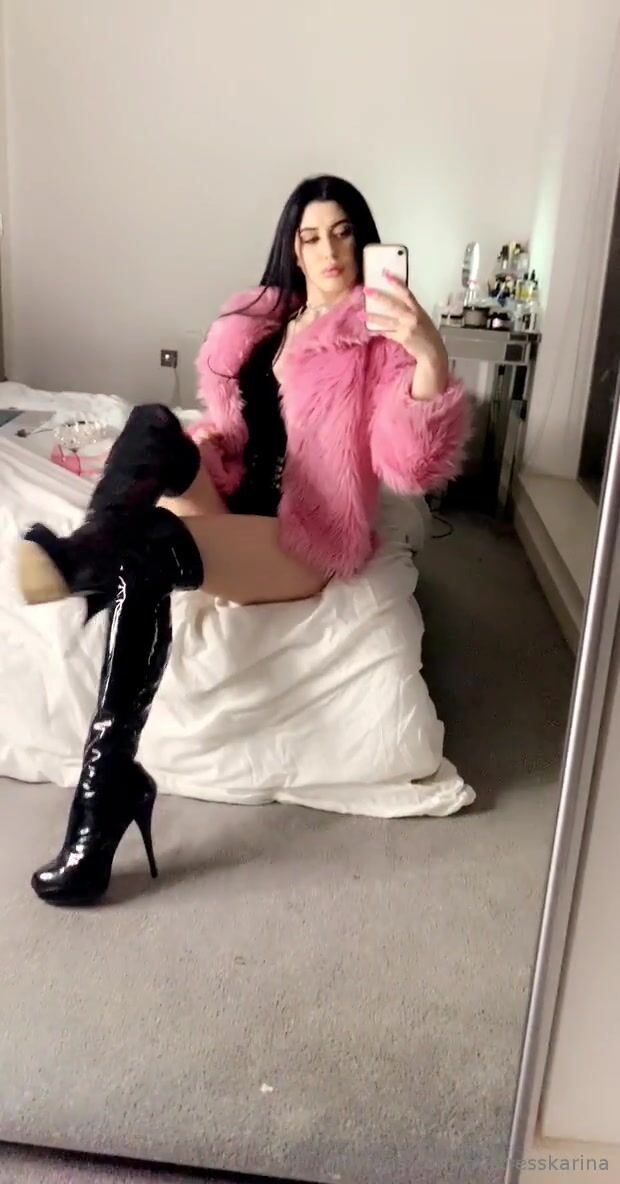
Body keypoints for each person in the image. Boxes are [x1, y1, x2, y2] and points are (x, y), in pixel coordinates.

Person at [16, 175, 469, 907]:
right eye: (311, 236)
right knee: (153, 424)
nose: (328, 250)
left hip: (300, 536)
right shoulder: (262, 325)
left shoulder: (379, 340)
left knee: (150, 546)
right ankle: (87, 553)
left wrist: (430, 359)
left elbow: (408, 465)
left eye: (343, 233)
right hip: (233, 499)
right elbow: (232, 425)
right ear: (292, 247)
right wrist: (210, 448)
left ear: (365, 241)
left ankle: (102, 798)